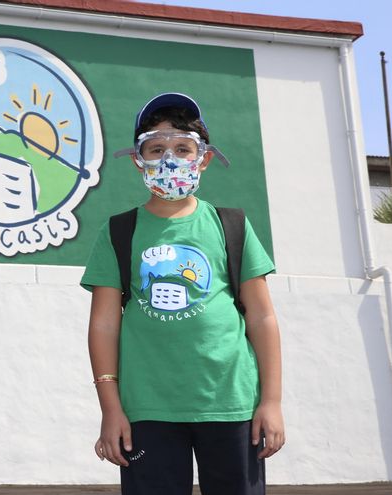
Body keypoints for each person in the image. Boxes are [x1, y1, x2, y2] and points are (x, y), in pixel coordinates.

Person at [80, 93, 285, 495]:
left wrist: (272, 401)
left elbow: (262, 317)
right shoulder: (119, 231)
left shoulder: (233, 226)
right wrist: (110, 408)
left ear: (203, 158)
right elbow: (104, 324)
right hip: (147, 409)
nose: (169, 159)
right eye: (155, 149)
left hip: (232, 404)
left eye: (183, 148)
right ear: (138, 159)